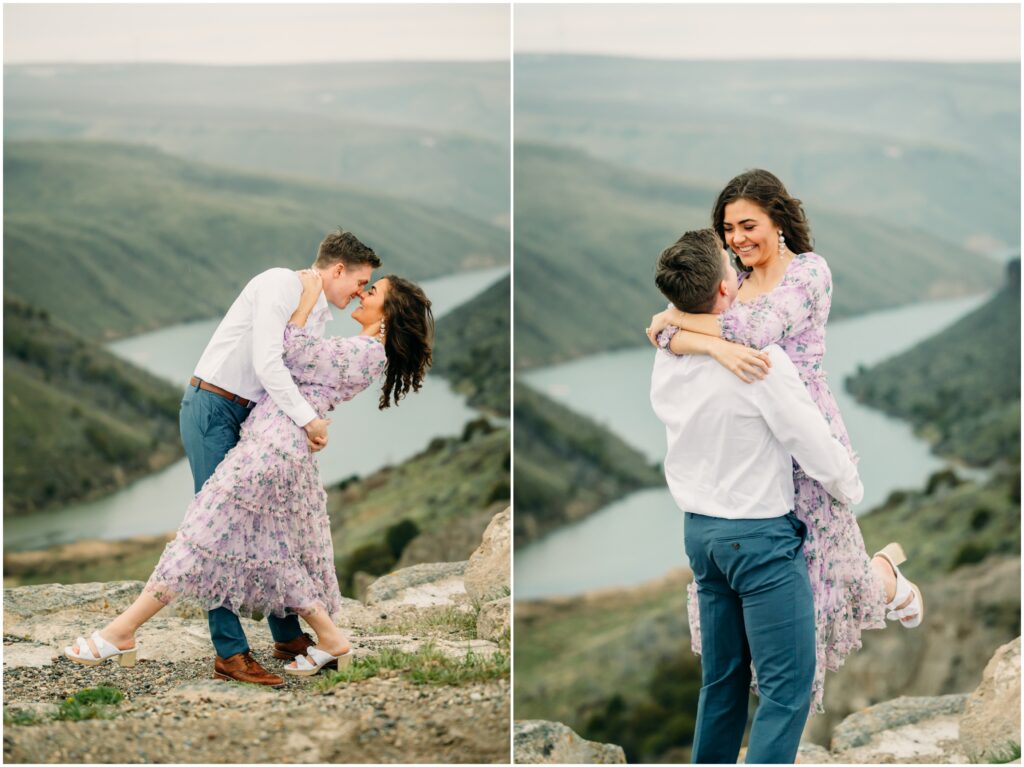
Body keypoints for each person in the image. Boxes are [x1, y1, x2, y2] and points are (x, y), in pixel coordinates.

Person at [64, 234, 432, 681]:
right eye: (362, 281)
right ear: (339, 270)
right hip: (219, 408)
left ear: (388, 315)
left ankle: (139, 634)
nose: (360, 291)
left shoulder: (343, 335)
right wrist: (309, 419)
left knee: (222, 535)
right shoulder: (283, 286)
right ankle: (241, 648)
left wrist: (308, 419)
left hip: (266, 439)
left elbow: (294, 361)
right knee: (230, 535)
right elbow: (271, 364)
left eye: (370, 289)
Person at [646, 171, 923, 714]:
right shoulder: (734, 278)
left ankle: (888, 582)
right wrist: (704, 344)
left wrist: (682, 328)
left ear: (779, 218)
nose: (737, 239)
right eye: (727, 229)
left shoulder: (808, 274)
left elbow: (724, 330)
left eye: (748, 225)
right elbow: (667, 333)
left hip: (803, 437)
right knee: (779, 582)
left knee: (824, 574)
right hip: (751, 444)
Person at [650, 228, 869, 763]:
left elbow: (668, 331)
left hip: (700, 536)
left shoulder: (669, 355)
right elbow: (812, 443)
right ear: (725, 292)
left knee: (720, 683)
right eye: (733, 269)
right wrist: (850, 486)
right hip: (760, 542)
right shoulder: (760, 361)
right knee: (786, 689)